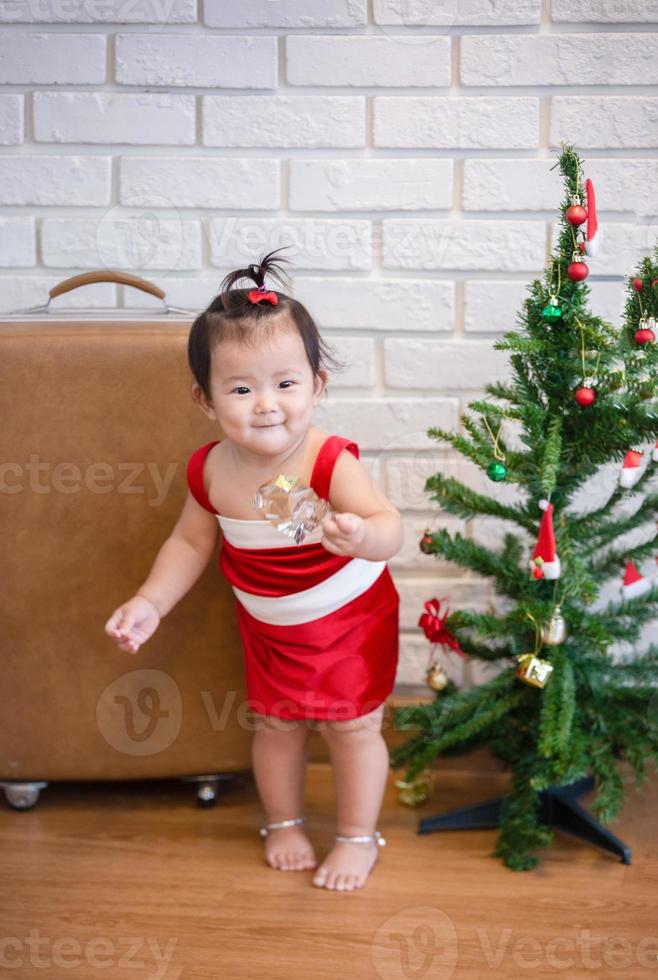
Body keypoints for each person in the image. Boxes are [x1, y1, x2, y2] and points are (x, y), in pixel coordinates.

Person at [104, 248, 404, 892]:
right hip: (269, 628)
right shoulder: (211, 469)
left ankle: (356, 835)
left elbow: (391, 528)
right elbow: (188, 545)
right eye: (242, 389)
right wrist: (149, 602)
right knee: (275, 724)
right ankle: (284, 821)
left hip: (346, 618)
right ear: (206, 400)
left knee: (353, 728)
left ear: (317, 385)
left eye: (285, 384)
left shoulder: (328, 460)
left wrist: (360, 535)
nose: (267, 405)